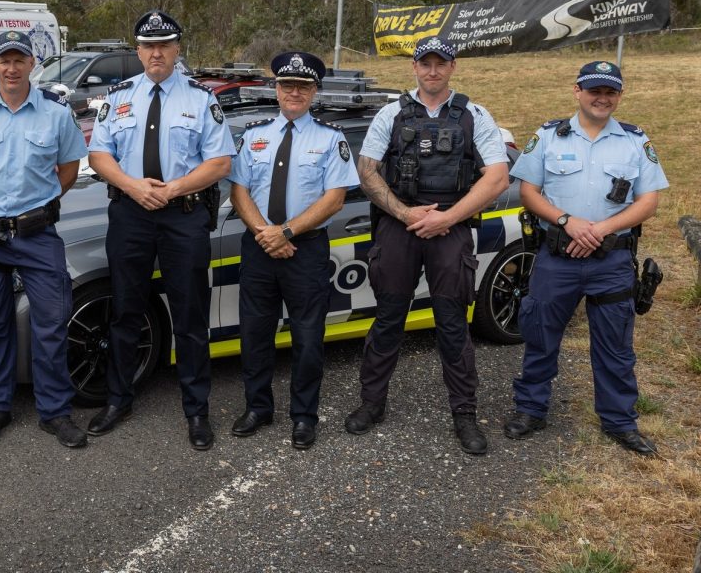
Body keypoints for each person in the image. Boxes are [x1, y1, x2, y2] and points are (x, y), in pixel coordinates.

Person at [348, 35, 509, 455]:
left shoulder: (475, 115)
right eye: (425, 63)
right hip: (399, 227)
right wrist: (405, 214)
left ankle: (465, 415)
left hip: (450, 229)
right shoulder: (391, 114)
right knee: (388, 318)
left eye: (441, 63)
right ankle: (372, 404)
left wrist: (447, 218)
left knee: (453, 323)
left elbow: (497, 178)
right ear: (414, 67)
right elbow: (367, 172)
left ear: (453, 67)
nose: (432, 70)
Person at [87, 10, 236, 451]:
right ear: (137, 50)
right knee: (125, 311)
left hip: (183, 216)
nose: (156, 52)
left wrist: (172, 189)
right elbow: (99, 154)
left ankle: (197, 410)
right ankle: (119, 398)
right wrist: (134, 187)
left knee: (190, 316)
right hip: (130, 215)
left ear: (176, 49)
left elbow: (220, 162)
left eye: (164, 44)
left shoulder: (199, 98)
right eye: (148, 45)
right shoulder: (117, 97)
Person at [504, 61, 667, 456]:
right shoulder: (548, 136)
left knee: (615, 345)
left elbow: (649, 201)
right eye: (594, 90)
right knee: (540, 337)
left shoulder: (634, 141)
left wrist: (599, 230)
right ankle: (531, 410)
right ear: (577, 91)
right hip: (557, 257)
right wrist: (568, 221)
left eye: (610, 92)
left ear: (619, 96)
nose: (602, 98)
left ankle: (619, 422)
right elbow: (529, 192)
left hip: (611, 262)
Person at [0, 31, 88, 448]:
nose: (11, 68)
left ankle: (55, 412)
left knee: (51, 324)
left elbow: (69, 167)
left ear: (31, 65)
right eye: (4, 60)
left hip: (38, 235)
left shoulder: (55, 112)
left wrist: (38, 207)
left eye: (19, 60)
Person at [228, 51, 359, 450]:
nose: (294, 92)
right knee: (254, 333)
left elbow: (335, 199)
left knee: (306, 338)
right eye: (287, 85)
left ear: (314, 91)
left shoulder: (331, 138)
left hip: (306, 251)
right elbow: (239, 191)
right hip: (258, 247)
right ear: (277, 89)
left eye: (302, 86)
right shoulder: (253, 135)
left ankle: (304, 416)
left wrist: (285, 232)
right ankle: (258, 407)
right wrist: (266, 234)